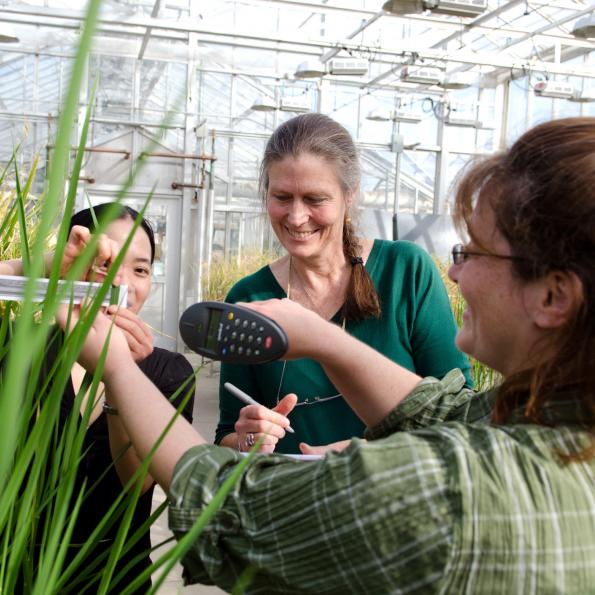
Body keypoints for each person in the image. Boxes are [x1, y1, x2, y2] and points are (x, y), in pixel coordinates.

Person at [61, 117, 595, 592]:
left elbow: (227, 506)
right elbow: (448, 412)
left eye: (471, 251)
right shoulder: (548, 421)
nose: (455, 272)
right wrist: (315, 337)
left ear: (553, 295)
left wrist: (116, 368)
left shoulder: (447, 487)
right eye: (280, 196)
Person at [217, 113, 471, 454]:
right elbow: (227, 435)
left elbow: (461, 416)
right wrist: (248, 438)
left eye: (314, 199)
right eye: (281, 197)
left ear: (349, 194)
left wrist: (360, 453)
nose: (296, 217)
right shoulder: (250, 298)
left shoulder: (405, 272)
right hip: (295, 497)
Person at [1, 203, 195, 593]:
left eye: (140, 269)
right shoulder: (19, 348)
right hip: (17, 574)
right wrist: (47, 264)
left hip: (117, 577)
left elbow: (136, 482)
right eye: (106, 262)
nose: (123, 282)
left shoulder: (168, 372)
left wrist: (122, 373)